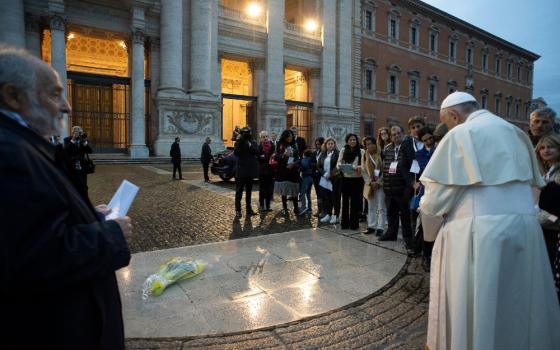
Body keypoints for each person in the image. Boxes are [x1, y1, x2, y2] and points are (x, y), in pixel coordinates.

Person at [0, 47, 133, 349]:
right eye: (55, 94)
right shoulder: (9, 154)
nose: (67, 107)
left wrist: (90, 219)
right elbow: (30, 258)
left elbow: (40, 221)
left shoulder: (22, 145)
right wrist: (110, 235)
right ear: (13, 96)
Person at [420, 91, 560, 350]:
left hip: (478, 233)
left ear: (453, 115)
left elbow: (434, 201)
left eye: (447, 122)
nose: (448, 127)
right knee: (518, 304)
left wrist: (429, 235)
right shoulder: (516, 133)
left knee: (480, 306)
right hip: (526, 228)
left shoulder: (460, 134)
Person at [379, 125, 415, 251]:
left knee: (405, 216)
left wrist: (410, 185)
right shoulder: (388, 148)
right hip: (389, 187)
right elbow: (385, 166)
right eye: (394, 134)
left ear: (403, 133)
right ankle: (391, 234)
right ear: (391, 136)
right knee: (391, 214)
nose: (396, 136)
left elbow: (412, 166)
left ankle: (408, 238)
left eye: (399, 133)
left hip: (403, 187)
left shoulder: (408, 147)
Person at [535, 134, 560, 284]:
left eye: (550, 147)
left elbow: (555, 213)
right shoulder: (548, 171)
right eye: (542, 148)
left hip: (553, 231)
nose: (546, 151)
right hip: (546, 228)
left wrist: (536, 219)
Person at [337, 133, 365, 230]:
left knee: (355, 203)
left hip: (357, 179)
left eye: (354, 140)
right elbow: (339, 162)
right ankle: (344, 223)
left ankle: (354, 224)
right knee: (344, 202)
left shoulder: (361, 151)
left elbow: (364, 165)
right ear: (347, 141)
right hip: (346, 179)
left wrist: (359, 167)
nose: (353, 141)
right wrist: (340, 167)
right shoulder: (343, 150)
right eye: (350, 140)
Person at [274, 129, 301, 215]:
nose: (290, 138)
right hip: (283, 170)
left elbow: (298, 157)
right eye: (288, 136)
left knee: (294, 190)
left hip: (293, 170)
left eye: (291, 136)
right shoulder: (280, 144)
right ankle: (285, 208)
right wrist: (283, 155)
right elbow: (276, 156)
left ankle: (296, 208)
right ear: (285, 137)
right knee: (284, 190)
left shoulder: (294, 144)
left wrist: (293, 163)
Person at [233, 127, 258, 218]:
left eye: (249, 132)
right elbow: (236, 153)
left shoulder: (253, 142)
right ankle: (238, 210)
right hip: (241, 171)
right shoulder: (239, 141)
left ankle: (249, 209)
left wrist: (249, 144)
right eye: (246, 133)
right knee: (239, 191)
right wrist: (240, 141)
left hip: (249, 171)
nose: (248, 134)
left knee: (249, 192)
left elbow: (256, 151)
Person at [361, 137, 383, 234]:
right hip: (370, 185)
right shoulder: (365, 155)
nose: (370, 146)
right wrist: (370, 182)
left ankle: (380, 227)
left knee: (381, 206)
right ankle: (371, 226)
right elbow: (363, 170)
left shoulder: (382, 153)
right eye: (367, 144)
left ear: (375, 143)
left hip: (380, 184)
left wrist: (379, 182)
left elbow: (385, 169)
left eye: (371, 143)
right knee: (371, 206)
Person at [63, 125, 93, 195]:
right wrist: (73, 140)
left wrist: (85, 143)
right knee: (73, 184)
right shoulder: (67, 140)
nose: (78, 134)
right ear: (72, 133)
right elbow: (66, 151)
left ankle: (85, 199)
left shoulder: (83, 140)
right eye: (76, 132)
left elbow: (90, 151)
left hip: (82, 166)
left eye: (79, 132)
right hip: (72, 166)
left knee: (84, 185)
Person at [318, 137, 341, 224]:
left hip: (335, 179)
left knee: (335, 198)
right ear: (326, 145)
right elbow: (319, 165)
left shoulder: (338, 153)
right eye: (329, 144)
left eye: (332, 143)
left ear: (334, 145)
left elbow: (338, 166)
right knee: (327, 198)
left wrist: (330, 174)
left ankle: (336, 216)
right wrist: (324, 174)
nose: (330, 145)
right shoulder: (323, 154)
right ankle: (328, 214)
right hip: (325, 179)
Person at [257, 130, 275, 212]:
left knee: (269, 189)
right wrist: (266, 157)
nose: (265, 138)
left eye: (266, 136)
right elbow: (258, 158)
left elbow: (273, 157)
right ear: (260, 138)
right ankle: (261, 205)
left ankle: (268, 205)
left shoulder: (272, 146)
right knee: (262, 188)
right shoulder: (259, 147)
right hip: (262, 171)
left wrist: (264, 157)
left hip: (270, 170)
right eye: (263, 137)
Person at [312, 137, 325, 217]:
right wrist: (316, 165)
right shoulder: (315, 153)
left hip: (322, 175)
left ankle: (324, 210)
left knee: (323, 193)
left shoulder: (325, 153)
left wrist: (317, 165)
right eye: (316, 144)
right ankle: (319, 210)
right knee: (318, 194)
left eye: (319, 144)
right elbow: (311, 162)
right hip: (315, 176)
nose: (317, 146)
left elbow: (323, 165)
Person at [298, 149, 314, 215]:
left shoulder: (304, 160)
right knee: (308, 193)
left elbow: (303, 167)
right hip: (312, 178)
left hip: (306, 177)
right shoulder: (312, 159)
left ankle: (303, 207)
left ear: (304, 154)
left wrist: (299, 169)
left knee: (302, 192)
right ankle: (310, 208)